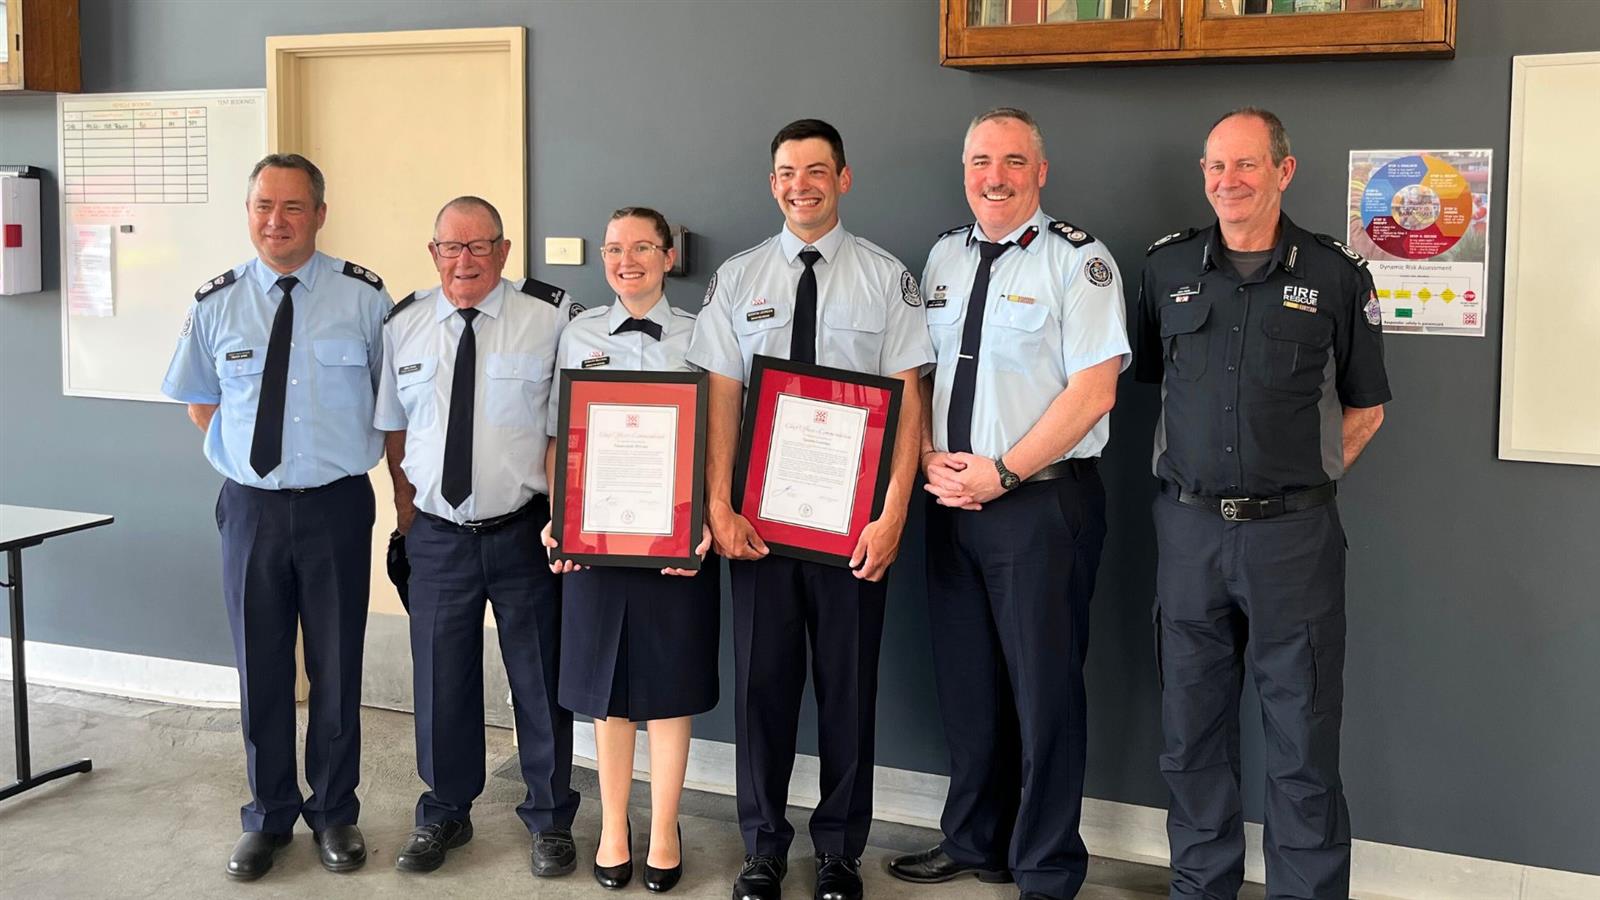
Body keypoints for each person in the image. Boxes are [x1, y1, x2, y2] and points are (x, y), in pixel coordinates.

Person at [1135, 108, 1389, 900]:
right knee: (1190, 738)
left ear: (1285, 170)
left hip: (1293, 543)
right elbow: (1157, 386)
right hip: (1189, 536)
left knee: (1302, 743)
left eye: (1245, 165)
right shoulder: (1165, 270)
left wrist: (1300, 481)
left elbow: (1367, 407)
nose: (1227, 182)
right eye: (1215, 166)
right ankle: (1199, 887)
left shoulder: (1337, 275)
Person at [686, 119, 932, 900]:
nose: (803, 184)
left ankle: (838, 853)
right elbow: (723, 398)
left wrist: (894, 514)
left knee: (847, 692)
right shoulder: (739, 279)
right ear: (773, 184)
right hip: (761, 527)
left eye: (818, 170)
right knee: (763, 692)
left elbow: (909, 404)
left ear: (844, 179)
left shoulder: (885, 278)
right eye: (788, 172)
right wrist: (719, 505)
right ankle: (762, 846)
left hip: (854, 530)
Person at [888, 107, 1128, 900]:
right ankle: (974, 840)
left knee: (1044, 690)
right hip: (949, 500)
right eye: (982, 161)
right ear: (965, 171)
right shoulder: (945, 254)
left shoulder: (1080, 262)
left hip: (1038, 506)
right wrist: (927, 458)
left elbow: (1094, 393)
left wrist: (1004, 474)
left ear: (1041, 172)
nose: (996, 176)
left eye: (1014, 161)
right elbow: (922, 376)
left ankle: (1046, 867)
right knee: (968, 687)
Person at [161, 153, 389, 881]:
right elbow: (202, 401)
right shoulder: (217, 301)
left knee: (335, 665)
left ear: (320, 214)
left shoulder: (364, 299)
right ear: (249, 211)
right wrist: (249, 462)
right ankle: (268, 815)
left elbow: (395, 406)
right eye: (263, 206)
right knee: (260, 666)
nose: (275, 221)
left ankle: (335, 813)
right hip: (252, 508)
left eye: (292, 207)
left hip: (336, 506)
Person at [375, 196, 582, 878]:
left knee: (540, 678)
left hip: (524, 529)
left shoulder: (550, 318)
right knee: (440, 678)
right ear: (432, 253)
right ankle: (444, 811)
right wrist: (408, 519)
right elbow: (396, 429)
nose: (464, 260)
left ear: (504, 248)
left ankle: (551, 818)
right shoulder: (402, 325)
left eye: (479, 246)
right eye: (450, 248)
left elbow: (569, 425)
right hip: (438, 534)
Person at [540, 207, 717, 894]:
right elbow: (562, 440)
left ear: (668, 256)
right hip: (597, 542)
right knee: (605, 692)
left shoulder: (704, 335)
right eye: (614, 248)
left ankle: (665, 826)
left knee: (670, 689)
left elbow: (717, 443)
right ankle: (616, 826)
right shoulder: (576, 335)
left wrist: (706, 523)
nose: (626, 260)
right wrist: (561, 518)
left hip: (678, 538)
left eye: (642, 246)